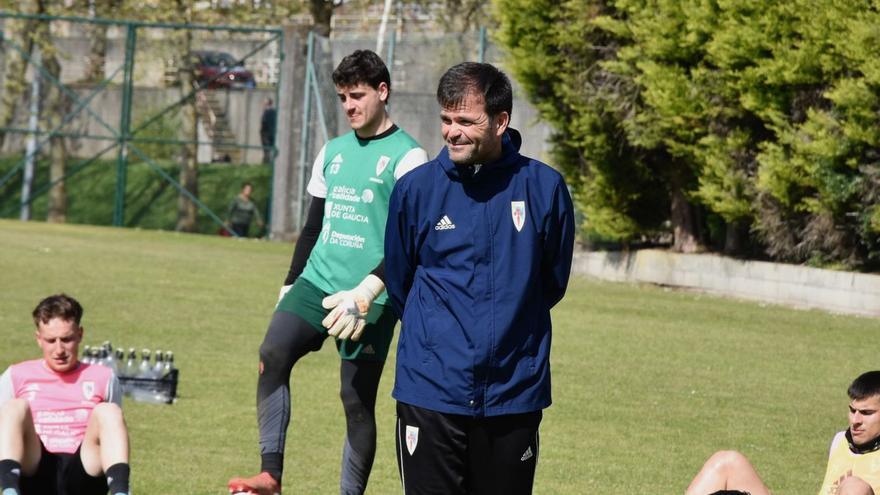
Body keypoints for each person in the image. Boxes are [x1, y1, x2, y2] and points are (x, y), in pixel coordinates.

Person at [227, 49, 428, 495]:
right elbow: (313, 226)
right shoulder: (332, 151)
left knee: (356, 399)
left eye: (357, 95)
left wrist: (368, 293)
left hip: (371, 296)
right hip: (316, 280)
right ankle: (270, 474)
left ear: (382, 91)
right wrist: (288, 284)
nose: (349, 106)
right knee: (272, 354)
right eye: (342, 97)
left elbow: (409, 243)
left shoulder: (410, 158)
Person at [384, 62, 576, 495]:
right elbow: (400, 282)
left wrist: (507, 325)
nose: (452, 132)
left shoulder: (543, 188)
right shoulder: (415, 191)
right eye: (446, 120)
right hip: (431, 392)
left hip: (513, 392)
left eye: (466, 122)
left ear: (500, 121)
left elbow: (552, 281)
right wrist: (437, 339)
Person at [0, 294, 131, 495]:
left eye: (67, 339)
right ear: (39, 339)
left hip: (84, 469)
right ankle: (9, 490)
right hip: (34, 466)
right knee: (13, 408)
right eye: (51, 340)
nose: (59, 349)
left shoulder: (104, 377)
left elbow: (111, 435)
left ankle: (121, 491)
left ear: (80, 334)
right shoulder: (16, 375)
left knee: (109, 411)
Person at [685, 370, 880, 495]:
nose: (855, 420)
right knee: (727, 462)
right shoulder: (840, 441)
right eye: (852, 410)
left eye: (866, 413)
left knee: (855, 487)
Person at [260, 98, 277, 164]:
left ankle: (268, 162)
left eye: (265, 103)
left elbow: (264, 123)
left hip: (267, 134)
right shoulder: (273, 112)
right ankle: (268, 162)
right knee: (269, 149)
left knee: (267, 150)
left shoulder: (268, 112)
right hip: (271, 133)